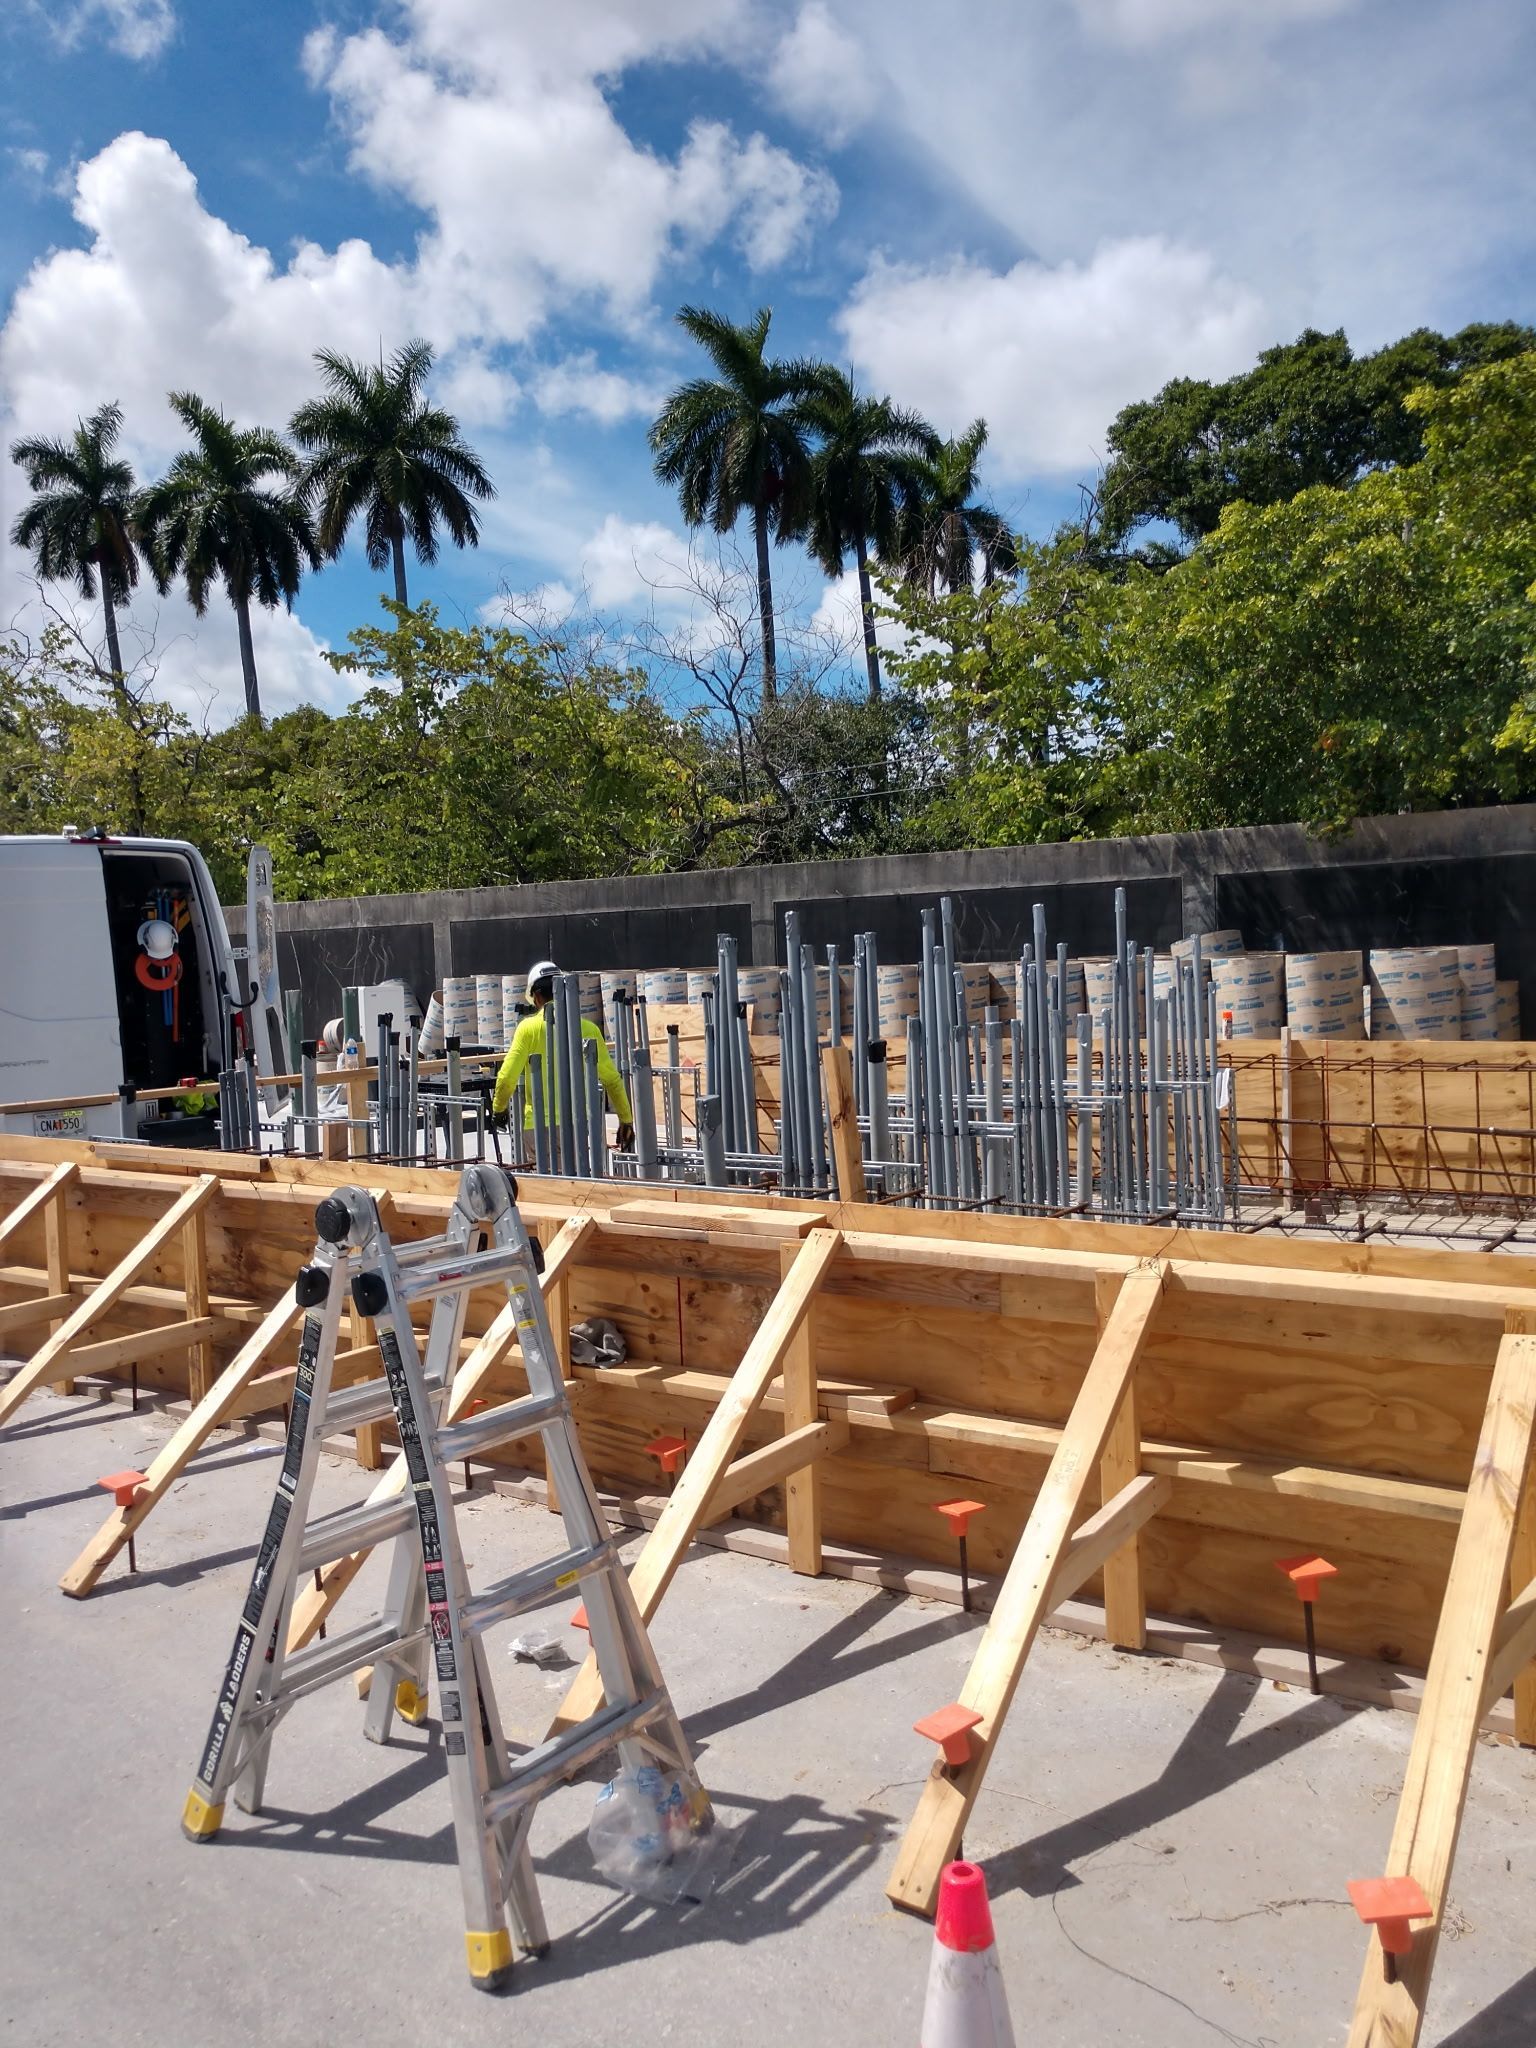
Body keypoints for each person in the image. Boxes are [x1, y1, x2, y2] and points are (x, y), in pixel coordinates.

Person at [491, 959, 634, 1157]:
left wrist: (499, 1109)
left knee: (545, 1186)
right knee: (575, 1184)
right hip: (578, 1126)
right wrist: (625, 1119)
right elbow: (612, 1080)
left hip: (538, 1126)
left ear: (537, 996)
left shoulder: (527, 1029)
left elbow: (507, 1078)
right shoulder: (588, 1029)